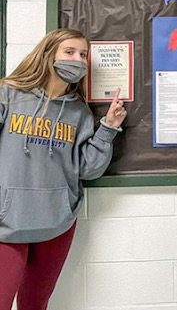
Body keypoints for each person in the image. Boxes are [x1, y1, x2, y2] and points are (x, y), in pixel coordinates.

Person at [0, 28, 127, 310]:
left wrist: (107, 128)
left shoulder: (78, 112)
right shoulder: (8, 95)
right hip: (6, 224)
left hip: (57, 223)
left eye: (83, 55)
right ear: (48, 54)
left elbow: (88, 169)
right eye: (69, 52)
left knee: (35, 305)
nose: (78, 60)